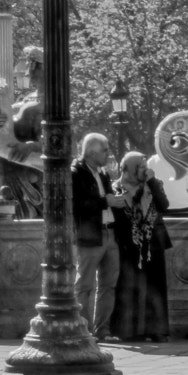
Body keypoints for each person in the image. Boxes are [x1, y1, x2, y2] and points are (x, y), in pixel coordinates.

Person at [110, 151, 173, 342]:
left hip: (154, 242)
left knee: (156, 287)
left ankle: (157, 330)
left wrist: (152, 183)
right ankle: (129, 331)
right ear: (128, 168)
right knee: (129, 288)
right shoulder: (115, 189)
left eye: (145, 166)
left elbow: (164, 205)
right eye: (140, 167)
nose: (145, 171)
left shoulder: (154, 185)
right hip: (130, 245)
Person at [70, 133, 123, 339]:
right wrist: (105, 201)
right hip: (90, 235)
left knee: (108, 285)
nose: (108, 153)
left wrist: (115, 201)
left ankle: (103, 331)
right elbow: (77, 205)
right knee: (85, 285)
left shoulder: (102, 174)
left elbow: (106, 199)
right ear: (91, 152)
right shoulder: (76, 173)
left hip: (109, 232)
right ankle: (82, 329)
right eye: (105, 150)